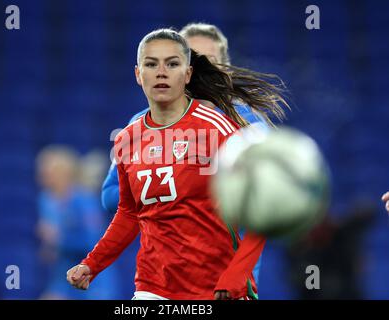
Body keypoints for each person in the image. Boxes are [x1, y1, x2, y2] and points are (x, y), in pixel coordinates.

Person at [67, 28, 289, 300]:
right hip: (153, 288)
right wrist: (92, 263)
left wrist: (237, 274)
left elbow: (260, 206)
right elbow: (128, 212)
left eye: (172, 64)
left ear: (188, 75)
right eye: (151, 64)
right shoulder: (128, 138)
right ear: (138, 74)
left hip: (217, 287)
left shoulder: (218, 130)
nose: (161, 72)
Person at [36, 145, 119, 299]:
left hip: (93, 278)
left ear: (65, 173)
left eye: (48, 170)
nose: (42, 174)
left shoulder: (84, 200)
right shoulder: (46, 201)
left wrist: (59, 239)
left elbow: (94, 243)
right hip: (64, 276)